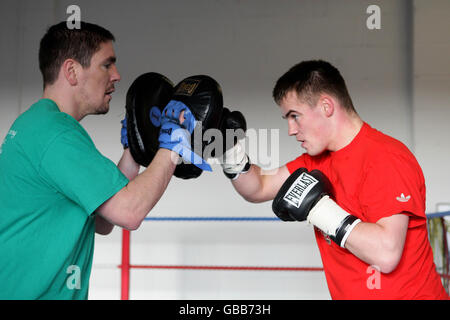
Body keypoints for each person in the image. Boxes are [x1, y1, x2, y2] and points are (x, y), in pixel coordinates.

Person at [221, 60, 449, 299]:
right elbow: (259, 188)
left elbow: (386, 253)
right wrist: (228, 150)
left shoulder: (385, 157)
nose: (290, 129)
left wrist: (318, 208)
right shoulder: (315, 161)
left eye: (295, 116)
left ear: (326, 106)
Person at [0, 21, 195, 299]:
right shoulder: (56, 135)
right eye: (107, 64)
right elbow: (130, 213)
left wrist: (133, 151)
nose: (116, 75)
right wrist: (174, 142)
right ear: (72, 71)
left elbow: (104, 221)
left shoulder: (37, 124)